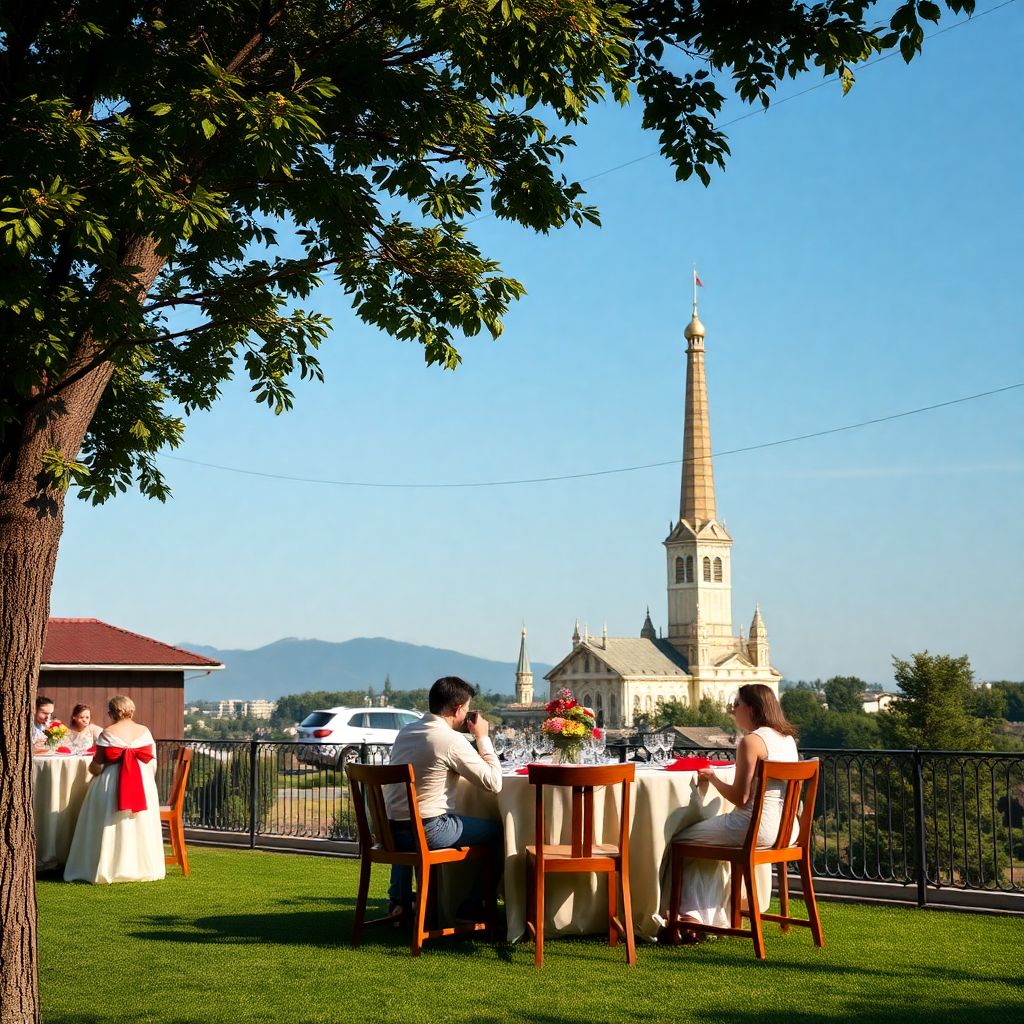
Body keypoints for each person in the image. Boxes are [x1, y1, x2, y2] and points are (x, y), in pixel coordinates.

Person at [667, 683, 799, 941]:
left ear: (750, 708)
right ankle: (705, 916)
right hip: (786, 829)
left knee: (680, 841)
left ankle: (691, 917)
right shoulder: (788, 740)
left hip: (754, 828)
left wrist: (713, 778)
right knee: (703, 844)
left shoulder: (751, 742)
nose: (732, 710)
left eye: (736, 705)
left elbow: (741, 798)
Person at [384, 676, 503, 922]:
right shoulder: (450, 740)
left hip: (390, 831)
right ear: (458, 709)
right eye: (467, 709)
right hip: (430, 831)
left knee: (408, 818)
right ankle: (473, 903)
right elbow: (494, 782)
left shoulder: (405, 733)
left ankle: (400, 902)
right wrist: (482, 737)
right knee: (500, 832)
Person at [63, 695, 166, 884]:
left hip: (111, 784)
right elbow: (152, 762)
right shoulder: (145, 731)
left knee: (103, 818)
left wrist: (91, 770)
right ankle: (141, 866)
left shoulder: (107, 733)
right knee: (139, 823)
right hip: (142, 784)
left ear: (112, 712)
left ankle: (106, 866)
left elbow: (97, 764)